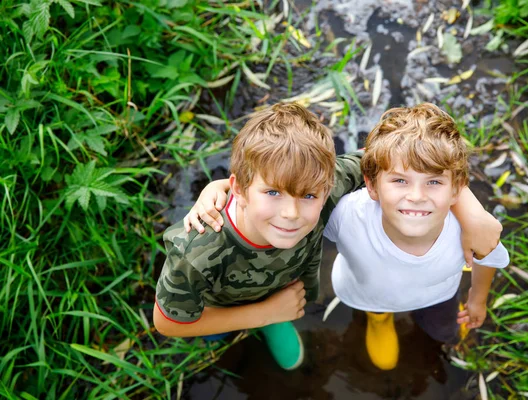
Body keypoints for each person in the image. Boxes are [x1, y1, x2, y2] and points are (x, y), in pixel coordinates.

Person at [167, 103, 503, 371]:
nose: (291, 213)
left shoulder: (330, 192)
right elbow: (168, 323)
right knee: (216, 336)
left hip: (283, 290)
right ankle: (258, 324)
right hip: (225, 303)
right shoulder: (199, 247)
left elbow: (406, 156)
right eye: (272, 192)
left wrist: (472, 212)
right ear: (239, 188)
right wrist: (265, 314)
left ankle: (276, 319)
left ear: (326, 188)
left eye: (309, 196)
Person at [323, 103, 509, 370]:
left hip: (438, 295)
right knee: (377, 312)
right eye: (400, 181)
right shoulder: (347, 215)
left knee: (446, 333)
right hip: (371, 295)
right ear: (372, 185)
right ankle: (379, 320)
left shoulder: (468, 230)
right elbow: (301, 222)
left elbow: (487, 257)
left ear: (456, 189)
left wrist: (477, 299)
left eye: (433, 182)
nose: (417, 196)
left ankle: (439, 330)